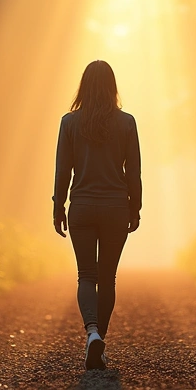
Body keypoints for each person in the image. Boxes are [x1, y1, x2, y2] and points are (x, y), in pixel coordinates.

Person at [53, 60, 141, 370]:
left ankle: (92, 334)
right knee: (107, 278)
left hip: (82, 207)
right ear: (112, 86)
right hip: (116, 207)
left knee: (86, 276)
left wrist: (57, 207)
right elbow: (134, 172)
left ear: (83, 87)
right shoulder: (127, 123)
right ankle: (99, 338)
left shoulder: (69, 123)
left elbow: (63, 171)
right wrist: (136, 208)